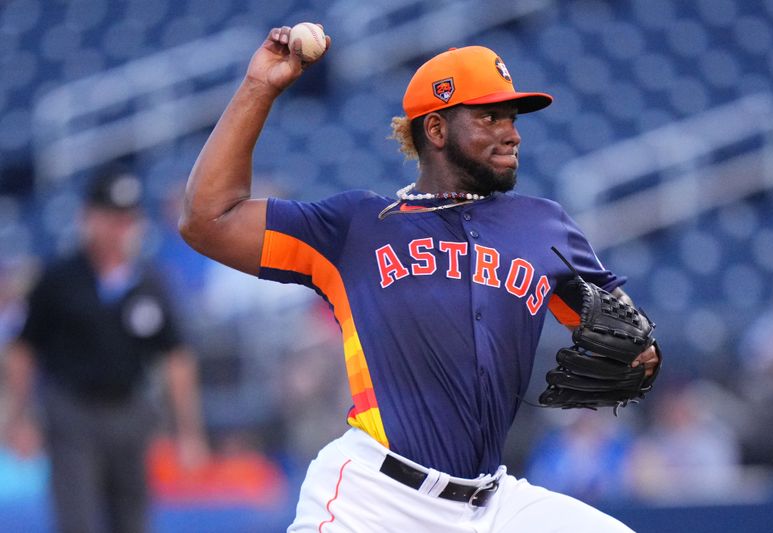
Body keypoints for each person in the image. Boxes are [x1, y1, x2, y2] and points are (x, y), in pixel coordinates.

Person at [179, 24, 660, 532]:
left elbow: (623, 325)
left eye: (512, 117)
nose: (511, 132)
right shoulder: (357, 227)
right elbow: (208, 219)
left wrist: (639, 348)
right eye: (489, 116)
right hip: (375, 499)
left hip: (493, 503)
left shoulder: (543, 225)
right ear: (435, 130)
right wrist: (260, 86)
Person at [2, 169, 209, 533]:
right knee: (77, 519)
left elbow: (176, 358)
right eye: (112, 219)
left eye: (128, 220)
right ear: (89, 218)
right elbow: (24, 350)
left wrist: (188, 431)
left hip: (131, 412)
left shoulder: (150, 282)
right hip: (72, 412)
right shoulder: (59, 278)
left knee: (132, 520)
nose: (121, 229)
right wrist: (20, 418)